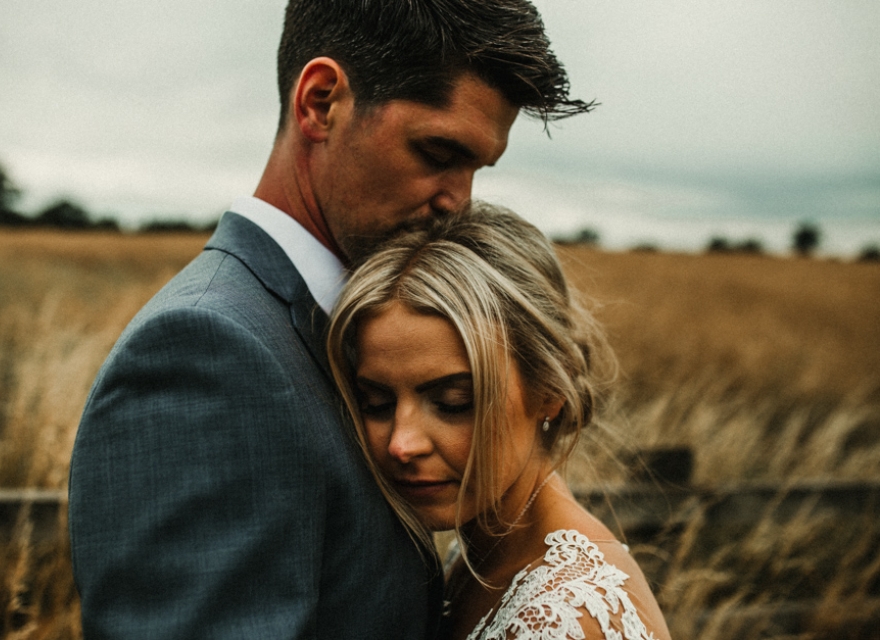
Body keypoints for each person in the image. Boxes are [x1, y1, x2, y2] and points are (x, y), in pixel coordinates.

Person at [68, 1, 594, 638]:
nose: (459, 201)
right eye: (437, 152)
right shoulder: (206, 353)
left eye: (476, 169)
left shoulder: (351, 324)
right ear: (320, 102)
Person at [327, 203, 673, 640]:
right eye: (375, 402)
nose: (402, 444)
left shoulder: (566, 619)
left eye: (454, 402)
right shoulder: (475, 559)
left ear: (550, 389)